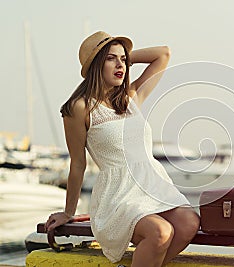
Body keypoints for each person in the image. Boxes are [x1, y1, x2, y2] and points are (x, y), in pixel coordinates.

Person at [44, 31, 200, 267]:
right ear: (96, 65)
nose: (121, 65)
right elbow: (78, 163)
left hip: (153, 186)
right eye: (110, 59)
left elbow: (163, 54)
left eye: (123, 59)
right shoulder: (80, 107)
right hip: (118, 196)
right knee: (161, 232)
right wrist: (68, 212)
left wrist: (128, 57)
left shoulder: (131, 97)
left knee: (189, 222)